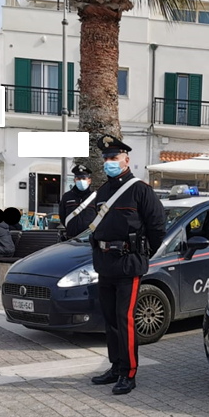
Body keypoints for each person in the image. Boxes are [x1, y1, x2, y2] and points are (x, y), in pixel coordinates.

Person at [88, 135, 166, 395]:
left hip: (128, 264)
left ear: (126, 160)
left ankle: (128, 372)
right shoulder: (102, 192)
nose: (109, 162)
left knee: (125, 319)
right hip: (104, 264)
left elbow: (157, 227)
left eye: (114, 157)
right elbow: (95, 226)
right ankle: (115, 366)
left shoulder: (140, 190)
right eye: (106, 158)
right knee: (110, 319)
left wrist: (143, 254)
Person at [58, 164, 96, 240]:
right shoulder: (67, 197)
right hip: (71, 239)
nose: (81, 181)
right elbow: (62, 216)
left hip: (90, 240)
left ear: (89, 180)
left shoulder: (96, 197)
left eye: (84, 178)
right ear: (74, 180)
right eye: (78, 178)